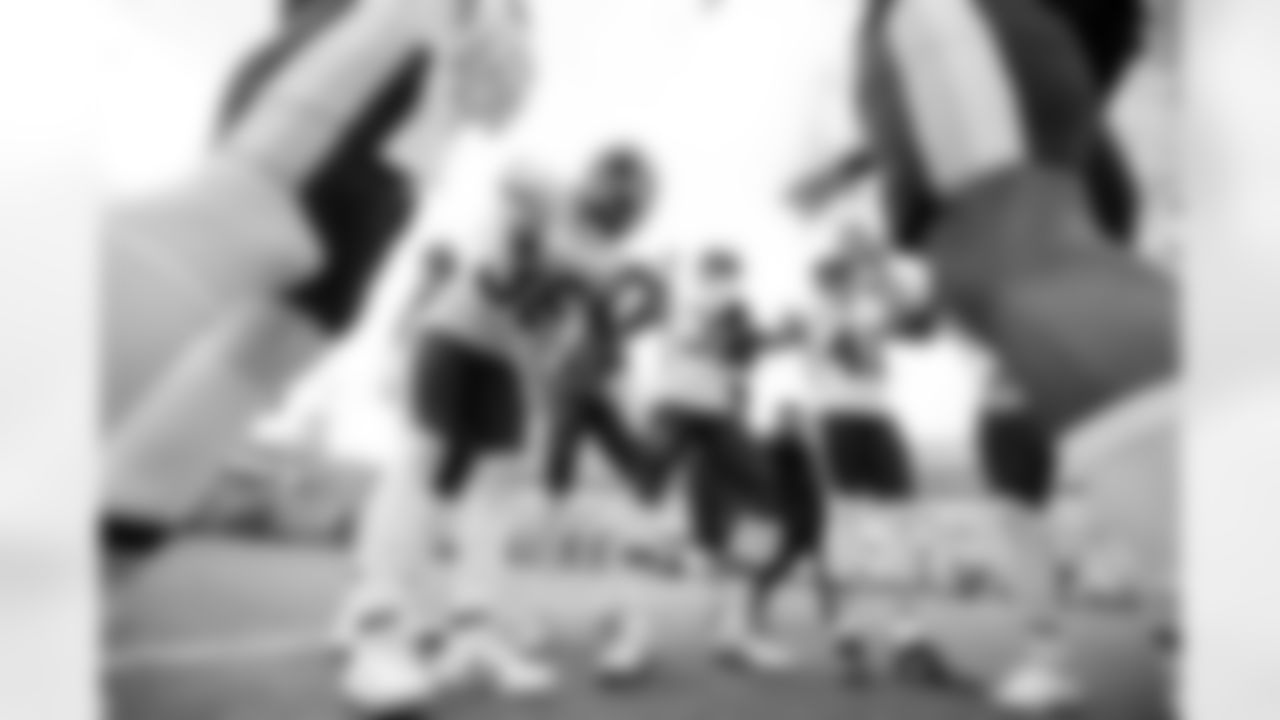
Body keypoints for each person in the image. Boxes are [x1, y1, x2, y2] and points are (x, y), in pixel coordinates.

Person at [103, 0, 534, 582]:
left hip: (399, 154)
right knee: (226, 224)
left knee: (270, 348)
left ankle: (97, 554)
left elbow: (498, 103)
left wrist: (503, 36)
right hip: (355, 85)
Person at [853, 0, 1174, 713]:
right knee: (1052, 510)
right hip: (1040, 354)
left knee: (1043, 514)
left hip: (1041, 356)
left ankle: (1069, 654)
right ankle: (1158, 639)